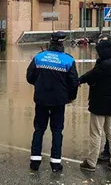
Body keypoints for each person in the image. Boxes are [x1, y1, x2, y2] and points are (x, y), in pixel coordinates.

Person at [26, 32, 79, 172]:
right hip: (59, 101)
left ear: (50, 43)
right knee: (57, 131)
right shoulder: (68, 60)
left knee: (39, 129)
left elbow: (29, 77)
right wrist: (71, 97)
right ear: (62, 44)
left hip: (41, 100)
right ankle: (55, 163)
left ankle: (34, 162)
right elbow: (74, 83)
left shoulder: (39, 57)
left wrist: (40, 85)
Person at [79, 34, 111, 171]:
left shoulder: (105, 64)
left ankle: (91, 162)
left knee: (95, 132)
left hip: (100, 102)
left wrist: (78, 80)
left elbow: (91, 75)